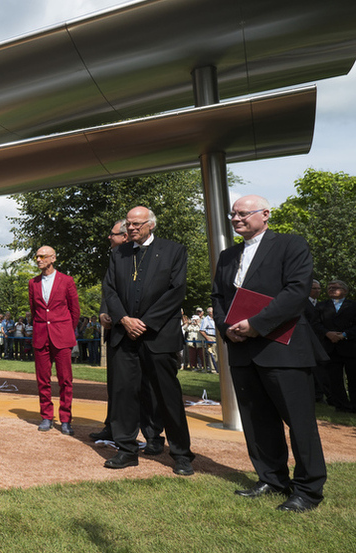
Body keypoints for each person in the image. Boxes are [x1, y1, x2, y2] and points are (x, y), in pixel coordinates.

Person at [212, 194, 327, 512]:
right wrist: (227, 328)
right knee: (257, 419)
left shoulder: (291, 245)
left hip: (283, 346)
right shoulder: (227, 256)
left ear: (265, 214)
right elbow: (218, 296)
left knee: (299, 422)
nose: (236, 218)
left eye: (243, 213)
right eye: (232, 214)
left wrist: (256, 324)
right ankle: (272, 478)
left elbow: (296, 291)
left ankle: (308, 489)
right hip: (242, 349)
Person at [102, 206, 194, 476]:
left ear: (151, 225)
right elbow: (109, 288)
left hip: (158, 336)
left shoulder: (173, 250)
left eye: (136, 224)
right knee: (124, 395)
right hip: (124, 335)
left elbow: (176, 292)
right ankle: (127, 450)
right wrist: (124, 319)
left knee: (168, 397)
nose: (130, 228)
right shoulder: (118, 253)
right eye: (128, 224)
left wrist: (146, 322)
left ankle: (181, 454)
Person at [91, 220, 165, 455]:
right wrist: (106, 312)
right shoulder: (117, 257)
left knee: (148, 387)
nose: (109, 239)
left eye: (112, 235)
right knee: (117, 387)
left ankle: (153, 436)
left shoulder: (151, 256)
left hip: (144, 331)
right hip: (118, 333)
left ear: (124, 236)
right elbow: (109, 290)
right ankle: (113, 427)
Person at [28, 246, 80, 435]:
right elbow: (34, 311)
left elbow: (75, 310)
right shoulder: (33, 283)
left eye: (42, 256)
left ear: (53, 258)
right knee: (43, 379)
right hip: (41, 335)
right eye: (37, 256)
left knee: (66, 380)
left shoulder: (66, 281)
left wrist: (66, 329)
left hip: (62, 336)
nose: (38, 259)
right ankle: (46, 416)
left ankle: (65, 419)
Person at [314, 280, 356, 412]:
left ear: (344, 290)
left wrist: (344, 335)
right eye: (329, 287)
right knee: (334, 379)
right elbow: (315, 324)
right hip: (330, 347)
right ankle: (342, 406)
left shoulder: (353, 306)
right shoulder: (321, 306)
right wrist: (327, 333)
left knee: (353, 378)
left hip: (350, 347)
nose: (331, 289)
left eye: (335, 287)